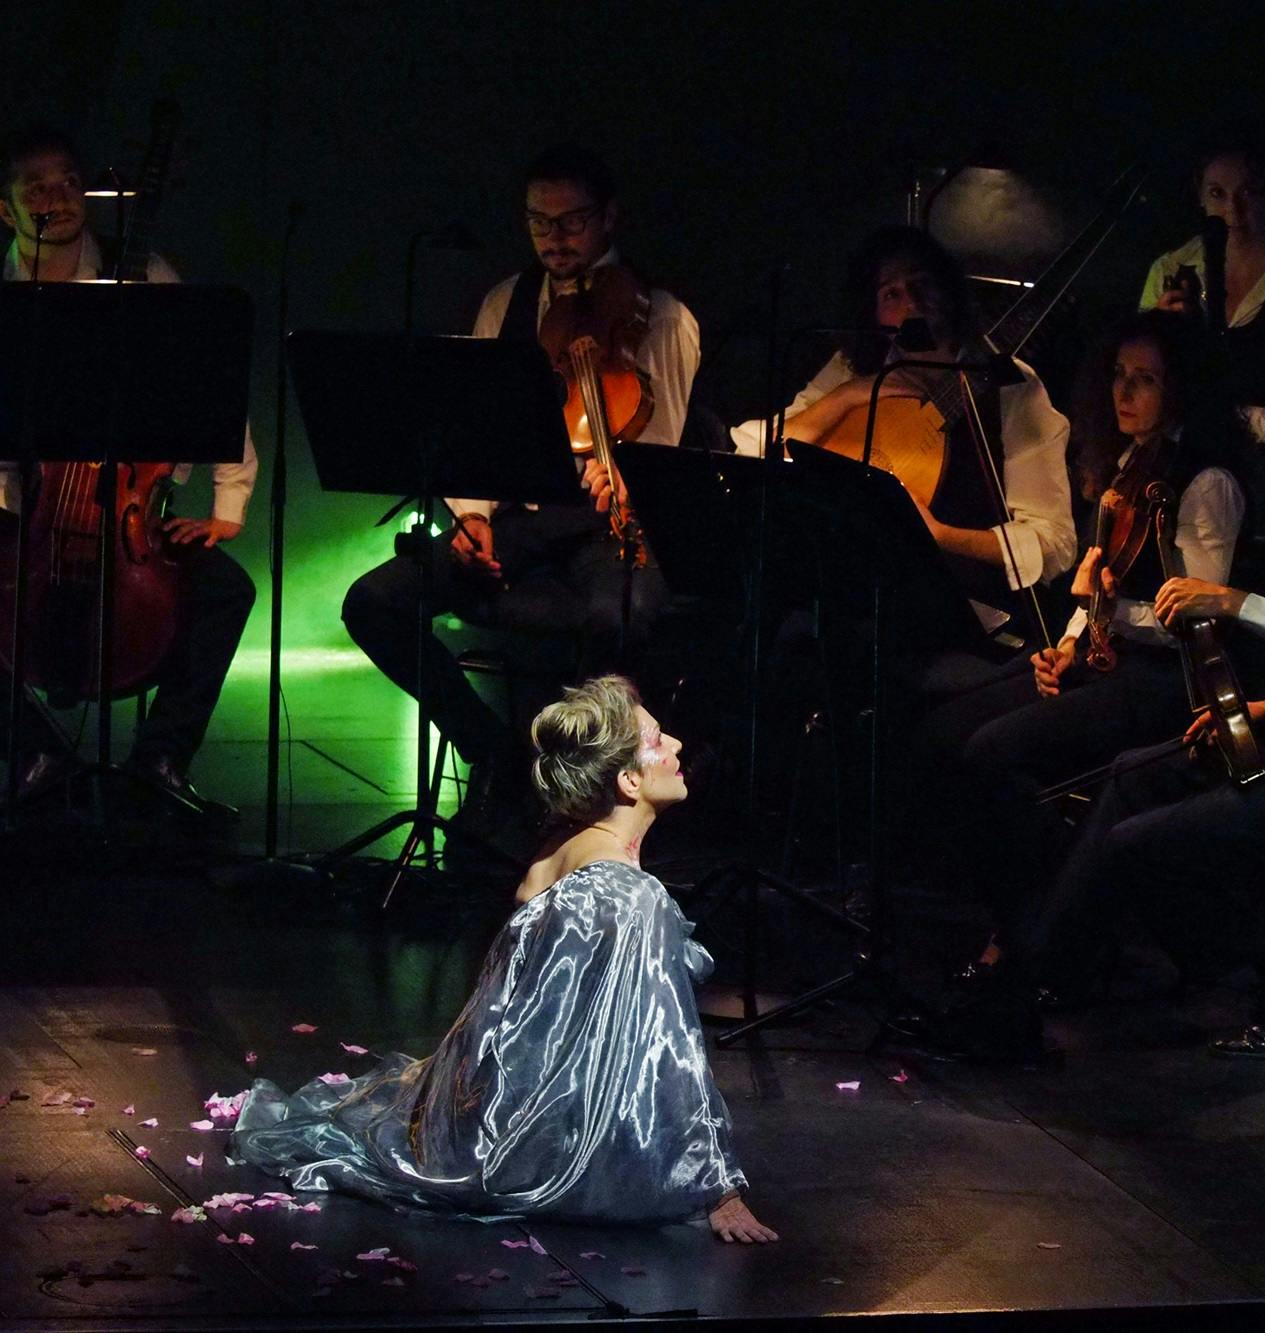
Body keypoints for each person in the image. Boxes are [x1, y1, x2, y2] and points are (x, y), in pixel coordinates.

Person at [967, 290, 1265, 1059]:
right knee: (1122, 780)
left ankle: (1056, 970)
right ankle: (1046, 959)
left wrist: (1235, 603)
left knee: (1136, 822)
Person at [231, 675, 777, 1241]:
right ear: (629, 780)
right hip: (525, 1119)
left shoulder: (565, 844)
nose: (679, 747)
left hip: (486, 1087)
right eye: (659, 741)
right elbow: (667, 1046)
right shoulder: (630, 896)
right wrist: (715, 1184)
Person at [341, 144, 699, 829]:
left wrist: (623, 474)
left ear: (609, 218)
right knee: (374, 602)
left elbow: (663, 443)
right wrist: (472, 518)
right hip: (521, 520)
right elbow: (475, 430)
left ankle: (586, 793)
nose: (553, 238)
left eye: (571, 222)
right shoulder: (507, 301)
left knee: (617, 615)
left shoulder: (661, 315)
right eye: (539, 222)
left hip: (604, 527)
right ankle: (494, 753)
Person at [931, 308, 1247, 983]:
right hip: (1108, 659)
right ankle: (1040, 910)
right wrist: (1067, 646)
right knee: (948, 729)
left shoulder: (1205, 482)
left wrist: (1106, 612)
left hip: (1164, 678)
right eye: (1120, 375)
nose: (1124, 392)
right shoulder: (1130, 462)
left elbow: (1198, 613)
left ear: (1181, 388)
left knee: (993, 753)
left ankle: (1040, 932)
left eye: (1146, 380)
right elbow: (1101, 576)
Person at [0, 124, 257, 815]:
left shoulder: (144, 272)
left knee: (226, 590)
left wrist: (228, 502)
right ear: (6, 210)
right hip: (22, 506)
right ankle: (32, 751)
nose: (58, 197)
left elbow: (208, 384)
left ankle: (161, 758)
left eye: (68, 181)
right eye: (36, 188)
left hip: (126, 509)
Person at [732, 224, 1075, 626]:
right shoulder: (855, 368)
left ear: (947, 291)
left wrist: (942, 536)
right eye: (891, 294)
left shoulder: (1010, 385)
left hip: (963, 610)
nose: (912, 303)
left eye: (922, 284)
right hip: (850, 599)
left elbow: (1054, 542)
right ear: (872, 312)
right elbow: (754, 451)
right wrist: (849, 394)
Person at [1139, 130, 1265, 550]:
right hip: (1186, 476)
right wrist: (1159, 331)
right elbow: (1136, 382)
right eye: (1217, 193)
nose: (1233, 210)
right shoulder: (1170, 270)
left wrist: (1241, 421)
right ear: (1200, 197)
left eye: (1250, 192)